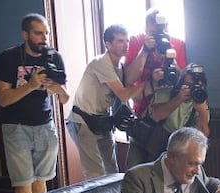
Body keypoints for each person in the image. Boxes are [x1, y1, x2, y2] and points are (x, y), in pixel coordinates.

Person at [0, 13, 70, 193]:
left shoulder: (54, 57)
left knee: (41, 181)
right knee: (23, 182)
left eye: (46, 33)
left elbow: (65, 99)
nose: (44, 39)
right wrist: (30, 86)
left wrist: (57, 88)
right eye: (38, 34)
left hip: (45, 125)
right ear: (25, 35)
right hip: (16, 126)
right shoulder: (9, 58)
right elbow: (3, 99)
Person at [67, 24, 157, 179]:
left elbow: (130, 87)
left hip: (102, 120)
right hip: (83, 120)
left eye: (127, 41)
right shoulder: (101, 63)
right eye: (120, 41)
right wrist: (148, 83)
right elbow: (123, 94)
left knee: (111, 171)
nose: (126, 45)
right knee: (95, 173)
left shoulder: (119, 67)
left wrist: (153, 85)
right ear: (108, 44)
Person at [125, 63, 210, 169]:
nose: (192, 89)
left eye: (197, 86)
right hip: (143, 143)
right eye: (188, 84)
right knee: (134, 179)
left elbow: (202, 138)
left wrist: (202, 112)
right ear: (180, 83)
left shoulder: (200, 102)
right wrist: (178, 99)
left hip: (170, 149)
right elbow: (156, 116)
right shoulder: (165, 92)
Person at [124, 7, 187, 118]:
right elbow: (128, 79)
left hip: (172, 111)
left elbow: (185, 81)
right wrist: (145, 50)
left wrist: (170, 56)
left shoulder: (178, 44)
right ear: (146, 29)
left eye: (162, 32)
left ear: (167, 29)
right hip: (143, 110)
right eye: (153, 33)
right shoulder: (137, 41)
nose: (158, 38)